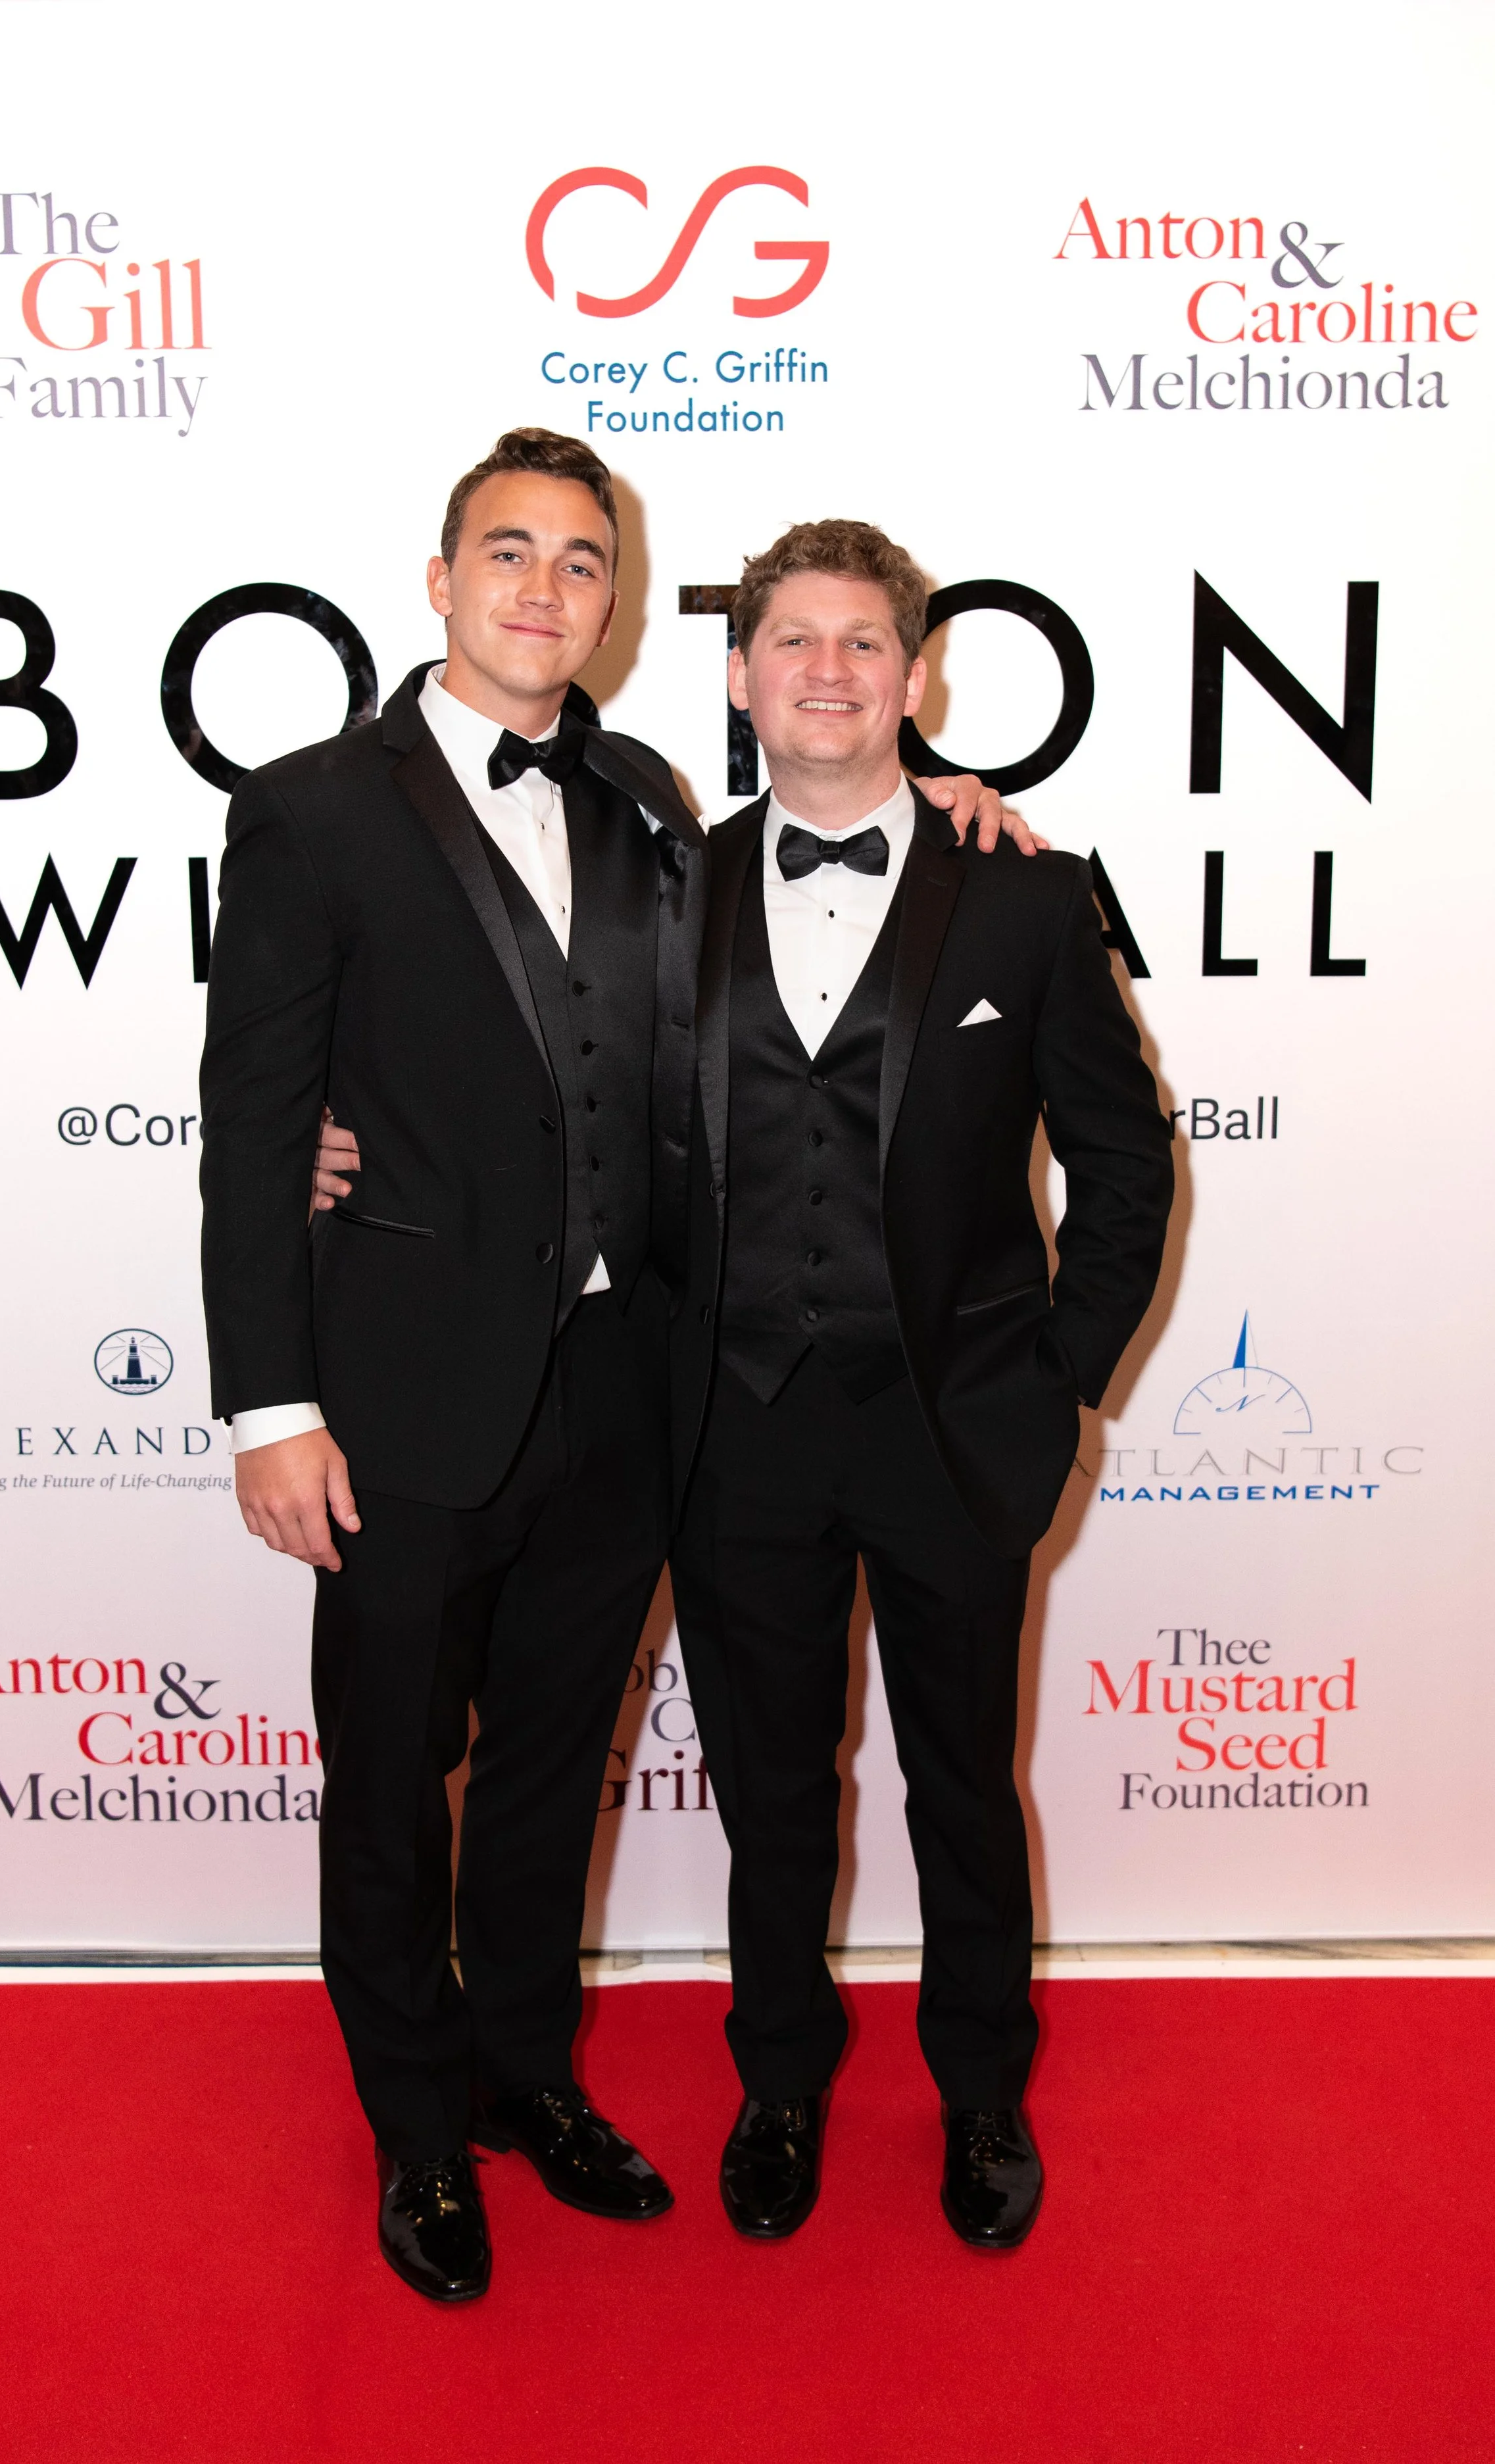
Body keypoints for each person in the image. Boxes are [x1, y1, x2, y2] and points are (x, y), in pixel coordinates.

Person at [203, 431, 1021, 2305]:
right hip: (398, 1396)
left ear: (617, 607)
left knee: (548, 1768)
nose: (544, 589)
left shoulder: (649, 799)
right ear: (439, 582)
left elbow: (823, 879)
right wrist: (272, 1403)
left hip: (625, 1384)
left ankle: (524, 2074)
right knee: (392, 1778)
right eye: (509, 552)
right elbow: (252, 1122)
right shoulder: (313, 810)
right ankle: (418, 2129)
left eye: (582, 563)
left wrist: (950, 807)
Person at [664, 520, 1173, 2254]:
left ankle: (979, 2091)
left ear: (916, 676)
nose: (826, 670)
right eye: (791, 641)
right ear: (742, 677)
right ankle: (779, 2082)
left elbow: (1124, 1164)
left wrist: (1062, 1380)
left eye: (861, 641)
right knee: (771, 1793)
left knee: (962, 1783)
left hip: (958, 1427)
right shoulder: (667, 893)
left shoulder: (1023, 895)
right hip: (733, 1429)